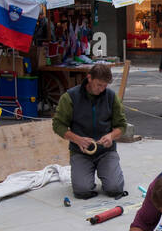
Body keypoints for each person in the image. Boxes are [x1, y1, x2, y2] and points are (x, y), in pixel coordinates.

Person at [52, 61, 128, 200]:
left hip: (105, 151)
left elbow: (122, 126)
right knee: (82, 191)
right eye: (99, 85)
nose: (102, 89)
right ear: (89, 78)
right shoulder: (70, 97)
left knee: (115, 188)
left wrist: (111, 136)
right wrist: (77, 139)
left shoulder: (110, 97)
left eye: (105, 86)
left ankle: (108, 173)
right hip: (80, 151)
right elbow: (58, 125)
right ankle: (85, 175)